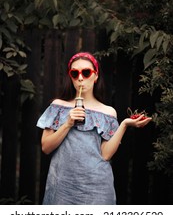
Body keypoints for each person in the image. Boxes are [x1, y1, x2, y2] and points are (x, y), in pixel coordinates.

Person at [36, 52, 152, 205]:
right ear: (70, 76)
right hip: (62, 187)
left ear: (96, 76)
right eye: (74, 73)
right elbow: (46, 147)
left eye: (86, 72)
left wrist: (124, 124)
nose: (80, 78)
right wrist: (68, 123)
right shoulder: (58, 106)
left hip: (97, 189)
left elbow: (105, 155)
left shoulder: (108, 112)